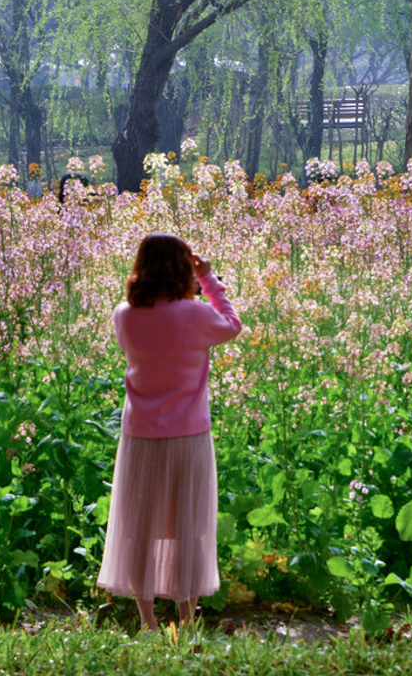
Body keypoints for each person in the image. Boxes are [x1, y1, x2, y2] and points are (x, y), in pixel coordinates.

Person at [96, 233, 242, 631]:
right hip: (188, 434)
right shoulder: (194, 314)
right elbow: (232, 325)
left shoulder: (124, 313)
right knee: (188, 527)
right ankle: (186, 619)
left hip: (140, 434)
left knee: (139, 526)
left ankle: (148, 624)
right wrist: (209, 281)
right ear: (183, 269)